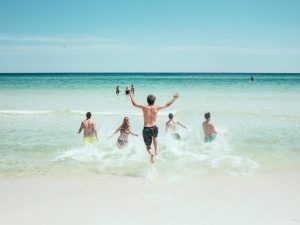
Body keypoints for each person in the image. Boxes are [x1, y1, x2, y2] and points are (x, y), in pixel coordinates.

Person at [129, 92, 179, 163]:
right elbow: (167, 105)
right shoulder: (156, 107)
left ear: (147, 101)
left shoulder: (144, 107)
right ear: (154, 101)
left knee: (148, 146)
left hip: (146, 128)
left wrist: (131, 96)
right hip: (154, 127)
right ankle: (156, 151)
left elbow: (134, 104)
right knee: (155, 138)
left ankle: (151, 154)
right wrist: (174, 98)